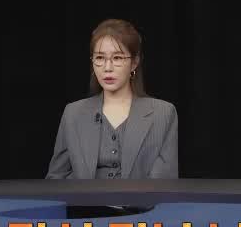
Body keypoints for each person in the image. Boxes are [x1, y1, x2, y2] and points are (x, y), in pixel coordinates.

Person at [46, 19, 178, 179]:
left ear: (134, 63)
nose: (107, 68)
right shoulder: (73, 113)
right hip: (84, 196)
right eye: (100, 58)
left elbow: (164, 182)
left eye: (117, 58)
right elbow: (56, 179)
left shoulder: (163, 113)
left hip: (141, 196)